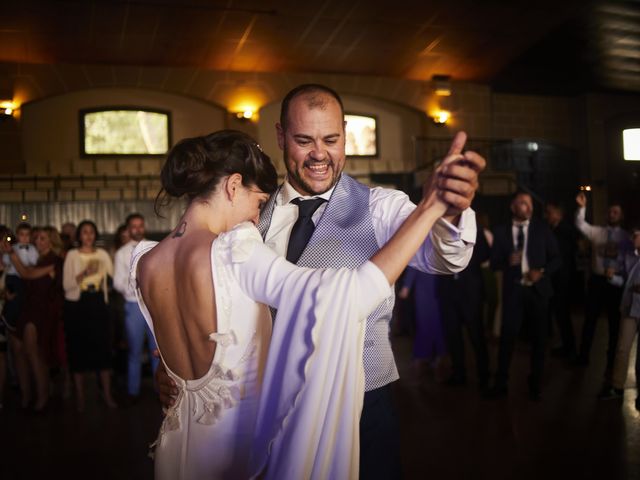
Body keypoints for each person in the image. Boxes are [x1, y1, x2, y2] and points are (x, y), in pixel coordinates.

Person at [157, 84, 483, 479]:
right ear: (279, 137)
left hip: (359, 408)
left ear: (345, 134)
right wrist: (182, 373)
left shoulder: (382, 207)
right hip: (262, 412)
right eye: (303, 140)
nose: (319, 154)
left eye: (331, 139)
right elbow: (206, 305)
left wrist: (445, 212)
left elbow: (447, 257)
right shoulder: (242, 212)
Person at [488, 191, 561, 401]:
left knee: (539, 340)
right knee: (507, 338)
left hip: (537, 292)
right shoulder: (501, 232)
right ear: (513, 207)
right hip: (514, 291)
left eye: (529, 203)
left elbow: (557, 259)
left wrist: (542, 272)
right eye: (522, 203)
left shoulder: (542, 229)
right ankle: (501, 383)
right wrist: (506, 261)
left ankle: (535, 383)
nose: (528, 207)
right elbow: (494, 264)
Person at [2, 226, 65, 411]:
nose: (37, 241)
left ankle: (42, 395)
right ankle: (26, 394)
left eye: (43, 238)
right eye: (36, 237)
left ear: (52, 241)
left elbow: (27, 274)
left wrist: (12, 255)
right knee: (19, 351)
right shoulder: (36, 258)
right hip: (26, 307)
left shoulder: (54, 261)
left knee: (35, 352)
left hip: (40, 310)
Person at [574, 192, 632, 384]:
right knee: (590, 319)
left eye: (616, 212)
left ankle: (611, 362)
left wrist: (617, 275)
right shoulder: (598, 232)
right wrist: (582, 208)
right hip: (597, 281)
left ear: (621, 216)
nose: (612, 214)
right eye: (610, 212)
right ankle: (583, 357)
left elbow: (629, 262)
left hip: (615, 284)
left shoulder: (626, 238)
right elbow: (580, 225)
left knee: (615, 324)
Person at [62, 220, 117, 412]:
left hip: (98, 304)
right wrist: (84, 273)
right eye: (84, 232)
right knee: (78, 348)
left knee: (102, 348)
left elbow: (114, 276)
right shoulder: (71, 255)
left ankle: (107, 394)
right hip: (78, 304)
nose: (88, 235)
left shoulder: (101, 254)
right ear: (79, 235)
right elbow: (67, 286)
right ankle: (80, 397)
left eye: (91, 232)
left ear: (95, 235)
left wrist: (112, 256)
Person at [114, 213, 159, 403]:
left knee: (157, 350)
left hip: (154, 305)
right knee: (134, 350)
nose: (138, 229)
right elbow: (117, 282)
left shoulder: (155, 247)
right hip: (133, 305)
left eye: (141, 225)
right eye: (134, 226)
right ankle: (133, 392)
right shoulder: (121, 253)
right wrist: (136, 288)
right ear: (128, 228)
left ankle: (160, 391)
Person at [598, 227, 640, 407]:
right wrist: (611, 277)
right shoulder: (629, 255)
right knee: (622, 348)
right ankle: (617, 387)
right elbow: (623, 280)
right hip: (630, 308)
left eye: (637, 236)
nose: (634, 239)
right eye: (634, 235)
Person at [545, 201, 579, 359]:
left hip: (562, 278)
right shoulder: (555, 229)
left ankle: (569, 347)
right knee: (559, 313)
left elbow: (561, 256)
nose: (547, 215)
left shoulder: (563, 230)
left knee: (562, 313)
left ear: (558, 214)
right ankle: (565, 343)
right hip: (557, 277)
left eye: (550, 212)